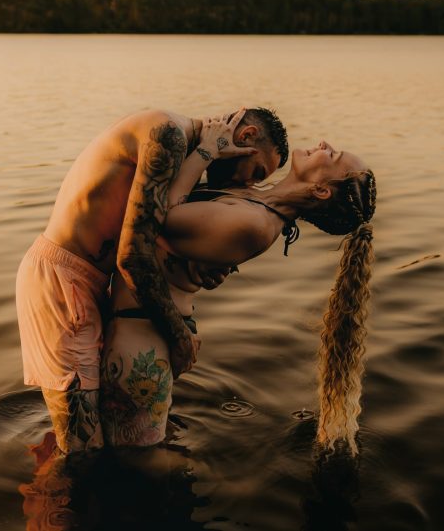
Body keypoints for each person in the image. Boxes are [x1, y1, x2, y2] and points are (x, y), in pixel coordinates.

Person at [15, 107, 290, 454]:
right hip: (63, 284)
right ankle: (43, 507)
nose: (248, 184)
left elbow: (157, 230)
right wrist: (179, 337)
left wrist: (202, 269)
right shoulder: (167, 134)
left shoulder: (184, 152)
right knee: (81, 450)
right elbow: (132, 257)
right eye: (256, 171)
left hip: (93, 284)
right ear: (247, 136)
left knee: (102, 441)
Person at [100, 122, 376, 455]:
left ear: (321, 190)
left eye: (332, 154)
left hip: (142, 338)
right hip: (141, 325)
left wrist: (206, 151)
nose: (323, 142)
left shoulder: (254, 224)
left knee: (131, 466)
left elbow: (156, 223)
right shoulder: (256, 199)